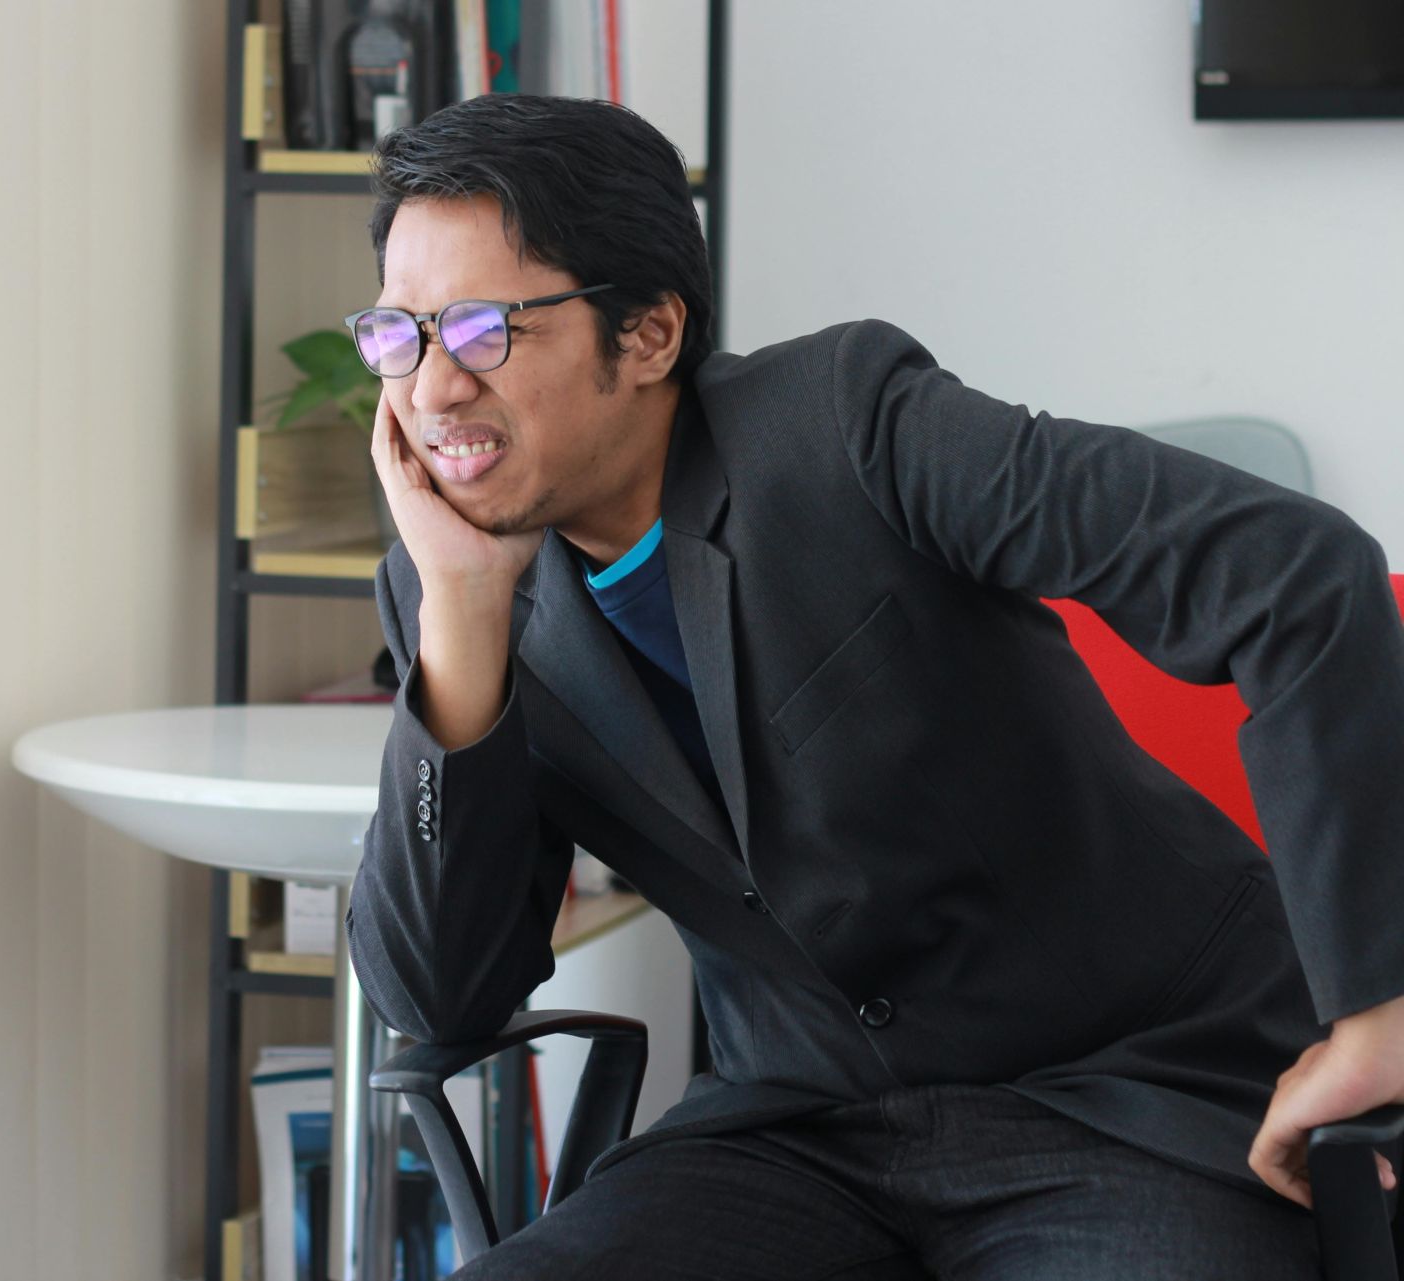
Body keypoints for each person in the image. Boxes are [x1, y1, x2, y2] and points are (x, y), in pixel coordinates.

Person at [341, 93, 1404, 1279]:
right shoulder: (452, 588)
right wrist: (465, 626)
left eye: (484, 329)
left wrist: (1378, 1007)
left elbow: (1292, 573)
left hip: (1127, 1097)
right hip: (800, 1134)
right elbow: (439, 1004)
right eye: (398, 335)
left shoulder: (842, 427)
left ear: (645, 336)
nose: (431, 391)